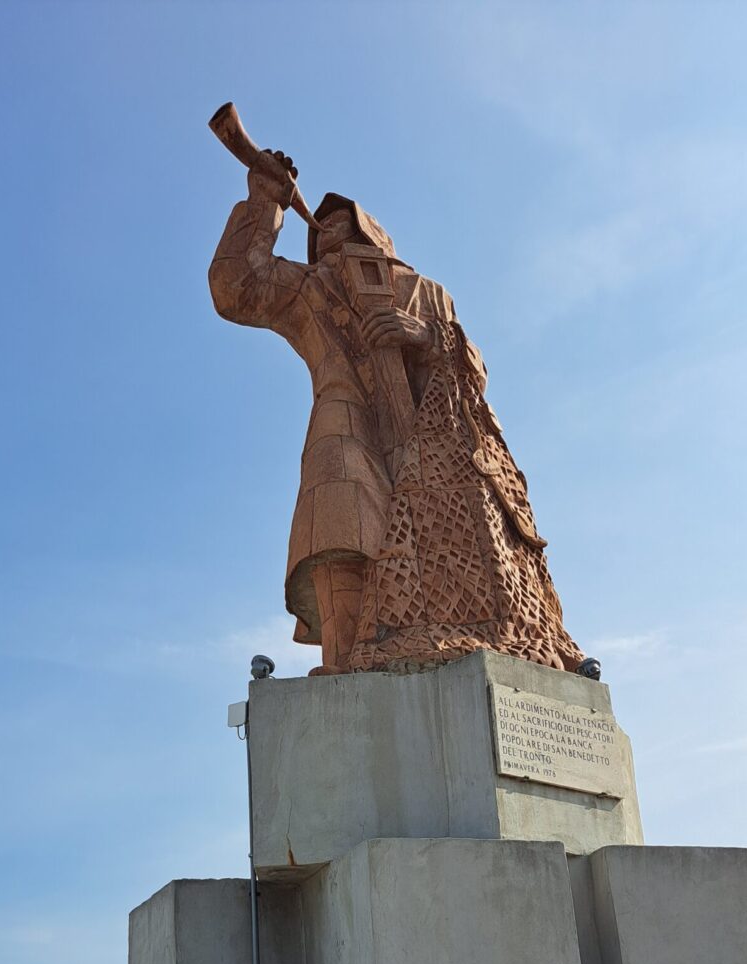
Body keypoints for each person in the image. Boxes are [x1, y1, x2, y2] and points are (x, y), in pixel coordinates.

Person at [209, 149, 587, 676]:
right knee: (339, 527)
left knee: (463, 545)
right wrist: (264, 202)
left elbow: (471, 370)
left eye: (345, 224)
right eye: (322, 232)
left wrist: (425, 336)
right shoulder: (310, 288)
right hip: (345, 423)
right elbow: (238, 289)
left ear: (373, 234)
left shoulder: (427, 292)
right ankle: (344, 664)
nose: (330, 232)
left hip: (438, 440)